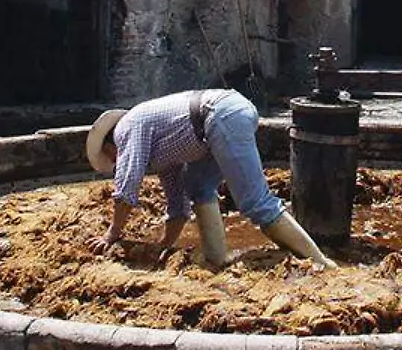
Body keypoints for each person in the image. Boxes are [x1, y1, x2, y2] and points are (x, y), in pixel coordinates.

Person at [85, 89, 338, 270]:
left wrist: (112, 234)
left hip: (220, 115)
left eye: (111, 156)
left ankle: (321, 264)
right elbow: (178, 205)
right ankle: (217, 260)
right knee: (196, 185)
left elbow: (127, 185)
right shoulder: (159, 150)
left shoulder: (126, 129)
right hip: (219, 119)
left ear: (110, 141)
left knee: (255, 202)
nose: (116, 162)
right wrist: (163, 248)